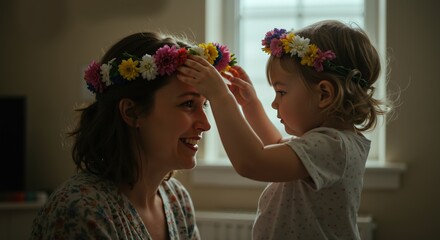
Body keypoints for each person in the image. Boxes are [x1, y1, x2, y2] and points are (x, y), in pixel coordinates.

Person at [177, 20, 392, 239]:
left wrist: (220, 97)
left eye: (281, 92)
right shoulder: (330, 143)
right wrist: (251, 106)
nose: (275, 103)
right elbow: (278, 145)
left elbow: (253, 162)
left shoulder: (333, 146)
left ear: (324, 94)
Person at [30, 32, 235, 239]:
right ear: (131, 112)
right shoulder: (80, 210)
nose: (206, 124)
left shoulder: (176, 200)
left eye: (205, 105)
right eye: (188, 104)